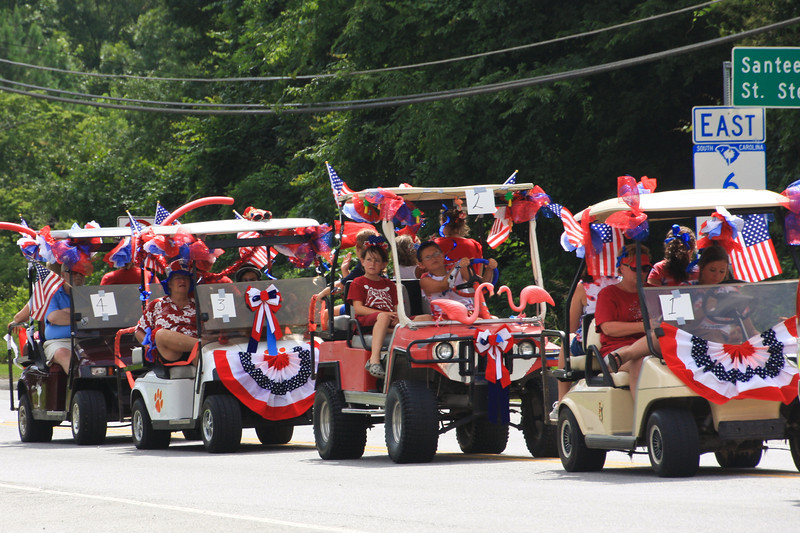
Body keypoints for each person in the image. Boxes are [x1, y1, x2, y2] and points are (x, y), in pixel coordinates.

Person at [348, 237, 429, 378]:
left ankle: (429, 354)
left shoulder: (390, 285)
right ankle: (374, 360)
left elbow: (398, 308)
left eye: (377, 260)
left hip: (389, 318)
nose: (372, 264)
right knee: (384, 316)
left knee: (427, 317)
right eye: (369, 260)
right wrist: (385, 314)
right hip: (367, 321)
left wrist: (397, 316)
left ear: (384, 264)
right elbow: (359, 309)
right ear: (362, 262)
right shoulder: (358, 282)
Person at [594, 244, 652, 397]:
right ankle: (641, 417)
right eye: (635, 268)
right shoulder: (608, 294)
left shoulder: (653, 292)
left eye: (645, 268)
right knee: (641, 362)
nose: (641, 273)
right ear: (621, 268)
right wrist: (645, 326)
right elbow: (608, 328)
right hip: (616, 350)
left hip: (650, 347)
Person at [135, 260, 198, 362]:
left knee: (204, 359)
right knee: (160, 334)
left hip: (195, 352)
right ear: (169, 283)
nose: (182, 281)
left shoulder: (198, 305)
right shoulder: (157, 304)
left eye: (186, 278)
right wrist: (149, 348)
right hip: (171, 353)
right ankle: (202, 344)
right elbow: (139, 331)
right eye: (178, 278)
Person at [417, 241, 497, 316]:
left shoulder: (460, 269)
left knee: (494, 319)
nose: (433, 258)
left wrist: (490, 268)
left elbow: (482, 285)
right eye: (428, 257)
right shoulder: (425, 280)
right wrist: (457, 266)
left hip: (469, 313)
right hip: (443, 318)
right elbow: (444, 285)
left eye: (436, 254)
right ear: (421, 265)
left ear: (443, 255)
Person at [42, 262, 89, 373]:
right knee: (62, 353)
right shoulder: (52, 293)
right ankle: (79, 384)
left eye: (81, 273)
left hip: (86, 340)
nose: (78, 276)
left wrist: (66, 312)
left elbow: (98, 316)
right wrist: (84, 317)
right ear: (63, 275)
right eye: (74, 272)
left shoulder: (88, 294)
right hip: (59, 342)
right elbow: (54, 317)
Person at [434, 206, 483, 270]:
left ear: (443, 222)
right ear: (463, 222)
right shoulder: (475, 245)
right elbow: (479, 273)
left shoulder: (435, 245)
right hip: (472, 280)